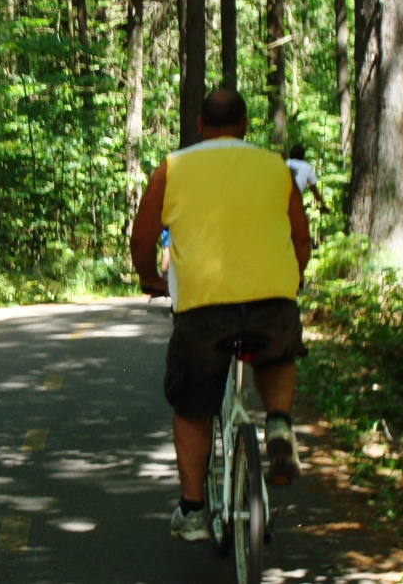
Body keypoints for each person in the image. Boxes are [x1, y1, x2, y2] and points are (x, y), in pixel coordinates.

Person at [129, 89, 311, 542]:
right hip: (272, 300)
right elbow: (301, 239)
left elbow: (143, 238)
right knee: (277, 352)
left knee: (192, 405)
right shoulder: (276, 167)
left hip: (204, 309)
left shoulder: (172, 169)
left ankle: (193, 510)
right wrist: (292, 280)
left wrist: (150, 277)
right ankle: (279, 422)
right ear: (245, 125)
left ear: (199, 124)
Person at [285, 144, 329, 213]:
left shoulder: (284, 164)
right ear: (303, 157)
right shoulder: (307, 167)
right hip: (294, 200)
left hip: (278, 197)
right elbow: (314, 190)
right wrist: (322, 204)